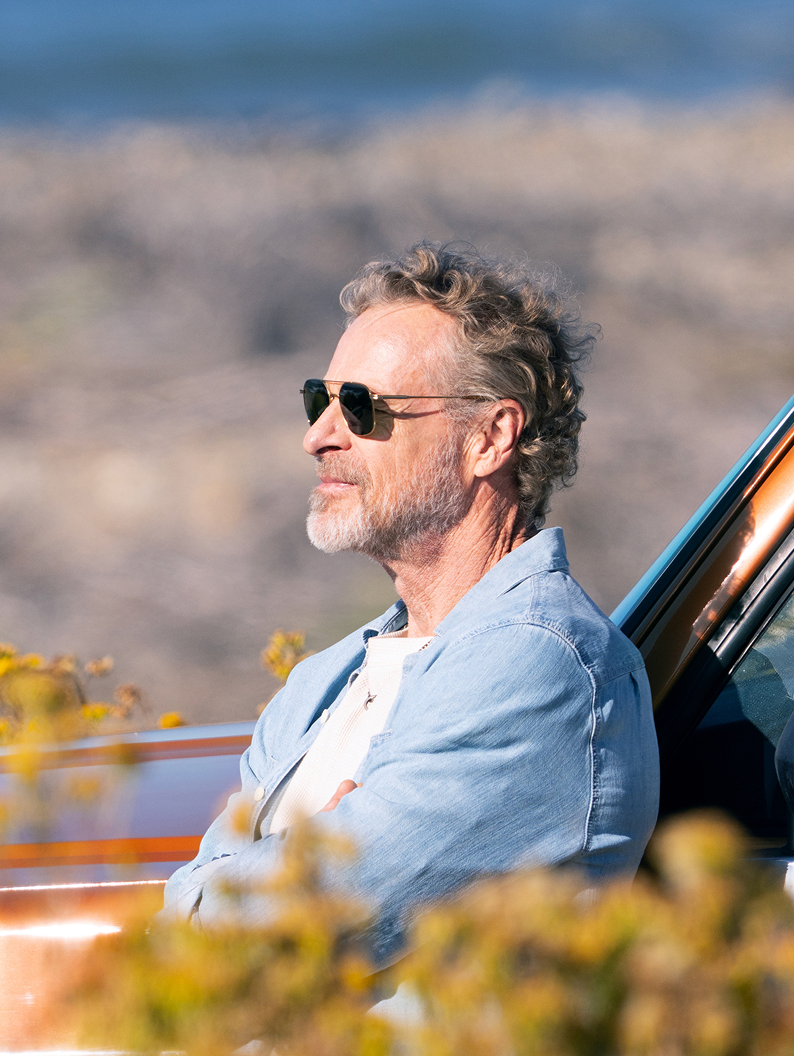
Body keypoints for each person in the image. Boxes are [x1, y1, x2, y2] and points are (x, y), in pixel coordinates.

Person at [159, 243, 659, 967]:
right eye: (317, 400)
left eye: (361, 407)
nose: (318, 436)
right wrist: (287, 866)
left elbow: (287, 928)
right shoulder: (321, 683)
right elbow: (197, 924)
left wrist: (256, 878)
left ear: (490, 437)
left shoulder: (541, 667)